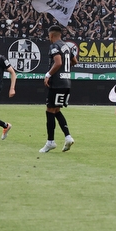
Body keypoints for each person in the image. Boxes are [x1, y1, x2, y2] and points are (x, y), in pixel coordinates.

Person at [40, 25, 77, 153]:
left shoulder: (54, 46)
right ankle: (68, 137)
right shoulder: (66, 46)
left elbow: (58, 62)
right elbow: (75, 61)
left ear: (51, 35)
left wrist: (48, 75)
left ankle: (50, 141)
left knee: (50, 110)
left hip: (57, 83)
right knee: (56, 110)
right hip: (67, 82)